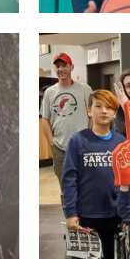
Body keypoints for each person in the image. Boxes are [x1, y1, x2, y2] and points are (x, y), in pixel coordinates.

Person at [61, 89, 125, 259]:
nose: (103, 111)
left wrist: (125, 210)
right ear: (89, 111)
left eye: (109, 107)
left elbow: (127, 179)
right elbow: (69, 179)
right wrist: (71, 213)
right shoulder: (78, 141)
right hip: (84, 216)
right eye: (98, 106)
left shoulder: (120, 142)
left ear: (115, 113)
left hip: (112, 215)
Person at [40, 53, 92, 181]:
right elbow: (45, 119)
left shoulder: (84, 89)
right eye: (57, 66)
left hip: (83, 146)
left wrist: (90, 137)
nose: (60, 69)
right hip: (60, 148)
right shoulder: (49, 92)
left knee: (85, 183)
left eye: (64, 66)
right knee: (65, 185)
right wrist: (52, 142)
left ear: (71, 67)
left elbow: (92, 116)